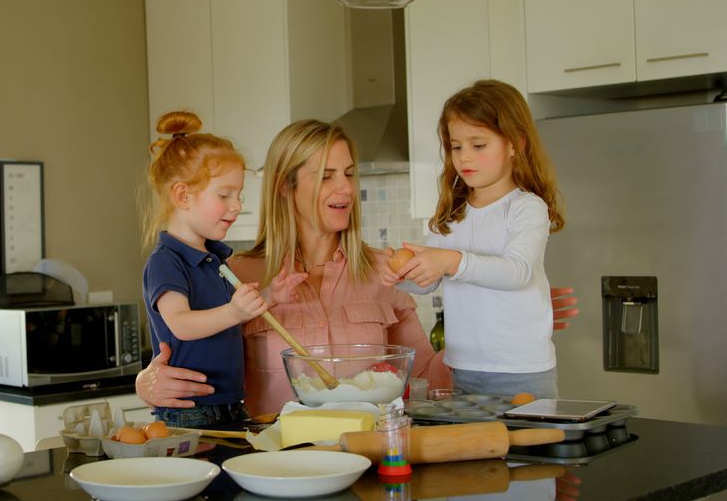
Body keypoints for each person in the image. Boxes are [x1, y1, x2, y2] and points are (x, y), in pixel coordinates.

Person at [135, 118, 579, 414]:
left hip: (369, 473)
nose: (344, 187)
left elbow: (430, 375)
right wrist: (145, 384)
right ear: (287, 186)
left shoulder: (383, 272)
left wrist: (503, 323)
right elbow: (184, 349)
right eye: (326, 175)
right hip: (276, 473)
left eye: (348, 173)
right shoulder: (237, 276)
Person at [383, 79, 565, 399]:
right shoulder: (452, 214)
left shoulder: (526, 208)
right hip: (463, 370)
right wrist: (401, 275)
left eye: (478, 145)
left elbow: (516, 271)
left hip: (521, 372)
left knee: (526, 449)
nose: (464, 157)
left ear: (515, 144)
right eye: (456, 146)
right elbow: (428, 281)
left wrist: (452, 261)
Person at [139, 110, 297, 427]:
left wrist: (270, 295)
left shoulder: (215, 258)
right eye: (224, 195)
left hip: (228, 403)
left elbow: (224, 314)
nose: (237, 205)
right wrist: (235, 313)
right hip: (189, 410)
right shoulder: (166, 261)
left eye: (238, 195)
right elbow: (181, 324)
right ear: (182, 195)